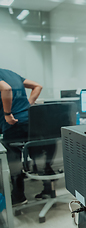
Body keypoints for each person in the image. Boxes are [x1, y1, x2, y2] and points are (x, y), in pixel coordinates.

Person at [0, 68, 52, 206]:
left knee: (13, 159)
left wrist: (7, 113)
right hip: (30, 119)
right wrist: (27, 105)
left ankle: (18, 196)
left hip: (13, 123)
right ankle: (48, 189)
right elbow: (37, 86)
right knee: (37, 153)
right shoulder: (11, 73)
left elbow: (6, 89)